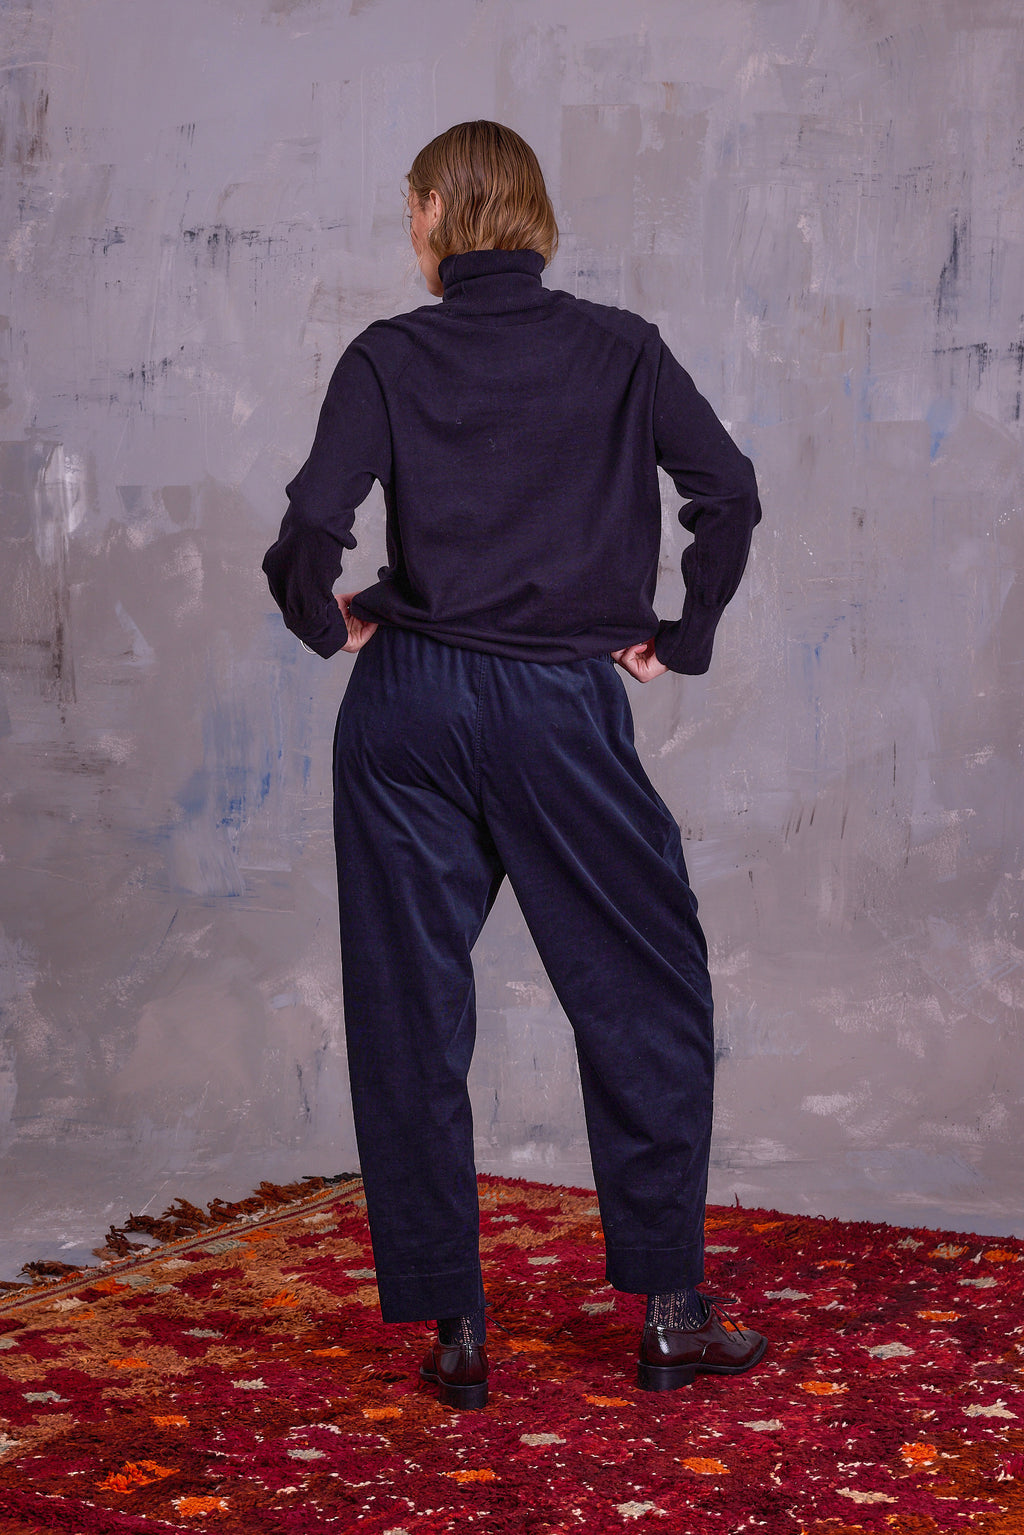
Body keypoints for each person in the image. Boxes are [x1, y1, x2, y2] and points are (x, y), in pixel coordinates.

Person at [263, 120, 765, 1410]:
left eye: (410, 207)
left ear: (437, 212)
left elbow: (311, 524)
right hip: (557, 708)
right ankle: (670, 1314)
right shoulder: (622, 349)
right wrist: (685, 634)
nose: (408, 229)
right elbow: (728, 490)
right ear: (532, 217)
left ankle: (456, 1330)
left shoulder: (388, 355)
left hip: (407, 710)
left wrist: (329, 622)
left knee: (409, 1010)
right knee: (645, 994)